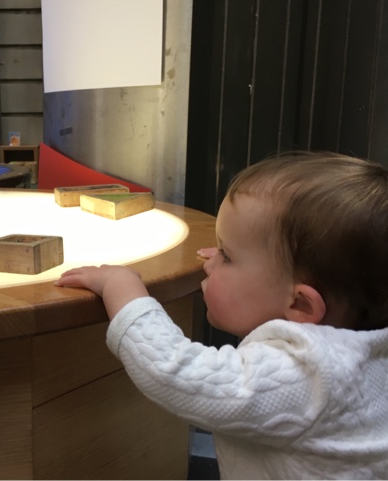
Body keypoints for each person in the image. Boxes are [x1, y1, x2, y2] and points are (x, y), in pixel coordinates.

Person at [55, 151, 388, 479]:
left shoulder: (307, 375)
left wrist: (122, 289)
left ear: (301, 305)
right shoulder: (366, 353)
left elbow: (176, 372)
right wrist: (234, 257)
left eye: (226, 256)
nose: (209, 263)